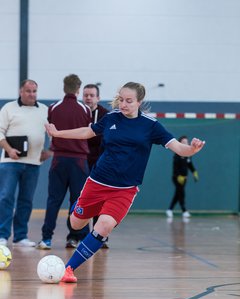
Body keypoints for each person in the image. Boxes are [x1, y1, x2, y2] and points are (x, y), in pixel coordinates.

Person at [45, 82, 205, 282]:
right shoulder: (111, 118)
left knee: (104, 226)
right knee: (75, 224)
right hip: (97, 183)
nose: (123, 104)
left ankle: (68, 270)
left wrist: (192, 149)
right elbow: (88, 132)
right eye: (121, 99)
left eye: (129, 101)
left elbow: (178, 148)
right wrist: (58, 134)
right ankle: (84, 207)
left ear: (139, 102)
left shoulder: (151, 125)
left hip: (124, 190)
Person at [37, 74, 92, 250]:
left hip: (59, 160)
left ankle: (46, 239)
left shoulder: (53, 108)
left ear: (64, 88)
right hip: (79, 161)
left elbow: (51, 132)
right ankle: (74, 238)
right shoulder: (85, 110)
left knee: (53, 200)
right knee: (77, 201)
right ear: (78, 89)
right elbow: (86, 132)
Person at [0, 79, 50, 247]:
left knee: (26, 200)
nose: (32, 94)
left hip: (33, 164)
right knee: (6, 197)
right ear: (21, 91)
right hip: (10, 162)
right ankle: (2, 236)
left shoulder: (44, 110)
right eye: (28, 91)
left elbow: (54, 133)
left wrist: (51, 151)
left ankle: (21, 236)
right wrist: (9, 149)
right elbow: (0, 131)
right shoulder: (8, 108)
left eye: (34, 91)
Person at [82, 84, 109, 248]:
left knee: (100, 201)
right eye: (86, 95)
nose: (88, 98)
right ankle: (79, 236)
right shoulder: (77, 113)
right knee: (83, 199)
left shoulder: (106, 115)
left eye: (92, 95)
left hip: (100, 164)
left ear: (98, 98)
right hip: (80, 162)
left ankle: (100, 237)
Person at [166, 135, 199, 219]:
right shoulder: (177, 155)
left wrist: (194, 172)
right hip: (177, 178)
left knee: (178, 194)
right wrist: (178, 176)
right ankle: (184, 211)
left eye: (187, 142)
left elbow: (190, 164)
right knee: (181, 193)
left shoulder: (188, 155)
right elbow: (175, 168)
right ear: (180, 143)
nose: (186, 143)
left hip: (184, 178)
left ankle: (170, 209)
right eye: (183, 142)